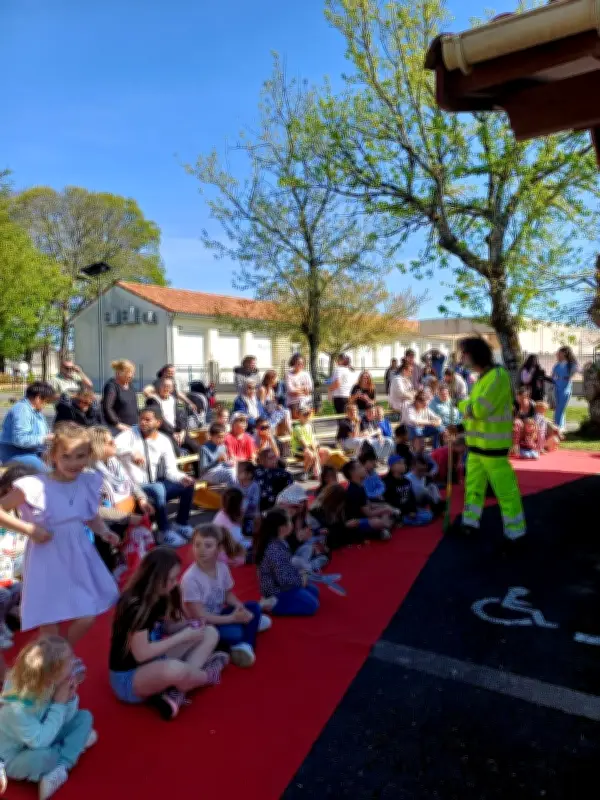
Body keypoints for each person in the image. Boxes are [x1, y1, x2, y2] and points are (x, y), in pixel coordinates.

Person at [0, 423, 119, 644]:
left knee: (87, 613)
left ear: (89, 455)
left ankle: (64, 653)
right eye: (66, 456)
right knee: (49, 616)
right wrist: (29, 529)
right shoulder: (35, 485)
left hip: (79, 553)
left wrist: (104, 531)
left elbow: (90, 515)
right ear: (53, 456)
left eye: (80, 456)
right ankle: (54, 662)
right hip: (46, 554)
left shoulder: (87, 481)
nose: (74, 463)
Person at [109, 548, 226, 720]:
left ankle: (177, 691)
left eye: (175, 578)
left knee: (209, 632)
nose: (174, 582)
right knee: (174, 669)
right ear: (154, 577)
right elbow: (142, 654)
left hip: (155, 660)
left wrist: (189, 626)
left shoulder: (162, 595)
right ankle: (207, 675)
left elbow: (166, 629)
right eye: (170, 579)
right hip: (130, 677)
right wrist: (184, 636)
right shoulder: (135, 605)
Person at [0, 635, 96, 799]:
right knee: (44, 756)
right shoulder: (16, 708)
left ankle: (60, 767)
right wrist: (59, 704)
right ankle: (68, 753)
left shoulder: (47, 681)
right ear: (52, 675)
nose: (74, 664)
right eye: (69, 663)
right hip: (16, 754)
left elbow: (67, 718)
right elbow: (40, 742)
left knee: (85, 717)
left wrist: (70, 698)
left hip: (44, 730)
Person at [457, 337, 526, 543]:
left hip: (493, 448)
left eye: (464, 353)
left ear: (474, 354)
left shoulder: (497, 376)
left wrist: (462, 405)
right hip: (476, 447)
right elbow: (476, 413)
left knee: (505, 492)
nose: (461, 358)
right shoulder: (482, 378)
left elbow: (478, 410)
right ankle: (470, 523)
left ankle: (516, 533)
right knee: (473, 488)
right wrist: (461, 427)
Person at [181, 525, 270, 668]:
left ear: (219, 548)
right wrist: (232, 618)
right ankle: (246, 636)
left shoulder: (222, 567)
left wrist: (239, 607)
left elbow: (228, 595)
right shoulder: (190, 578)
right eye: (197, 545)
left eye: (208, 545)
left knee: (253, 606)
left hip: (219, 615)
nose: (201, 549)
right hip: (204, 626)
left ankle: (245, 644)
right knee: (236, 633)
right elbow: (200, 616)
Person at [115, 407, 196, 548]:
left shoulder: (164, 440)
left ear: (158, 422)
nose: (143, 423)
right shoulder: (129, 434)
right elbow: (111, 447)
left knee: (187, 484)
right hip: (135, 487)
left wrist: (182, 477)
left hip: (154, 485)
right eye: (141, 419)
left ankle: (180, 524)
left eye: (147, 420)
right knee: (158, 487)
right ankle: (163, 532)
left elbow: (171, 470)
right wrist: (131, 452)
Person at [256, 508, 320, 616]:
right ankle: (272, 604)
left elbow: (286, 568)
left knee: (314, 591)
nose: (292, 523)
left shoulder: (280, 541)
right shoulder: (274, 549)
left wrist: (300, 573)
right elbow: (284, 580)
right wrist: (301, 579)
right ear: (282, 528)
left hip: (283, 583)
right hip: (277, 590)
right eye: (289, 521)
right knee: (312, 605)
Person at [145, 377, 201, 472]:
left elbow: (181, 416)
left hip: (178, 432)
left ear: (172, 389)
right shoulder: (153, 400)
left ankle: (198, 475)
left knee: (196, 447)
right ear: (159, 387)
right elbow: (159, 419)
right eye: (164, 386)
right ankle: (177, 477)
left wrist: (182, 431)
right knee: (175, 451)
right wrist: (172, 433)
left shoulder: (174, 400)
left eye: (169, 386)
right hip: (162, 432)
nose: (166, 388)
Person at [0, 381, 55, 470]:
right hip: (16, 453)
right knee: (50, 474)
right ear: (38, 398)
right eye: (47, 401)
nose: (46, 404)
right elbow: (20, 439)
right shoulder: (22, 409)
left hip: (32, 451)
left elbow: (43, 433)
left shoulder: (35, 411)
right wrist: (45, 438)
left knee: (62, 465)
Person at [341, 460, 394, 540]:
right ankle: (383, 529)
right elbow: (369, 513)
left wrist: (384, 506)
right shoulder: (354, 490)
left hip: (364, 517)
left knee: (386, 511)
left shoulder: (360, 486)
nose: (364, 469)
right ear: (352, 473)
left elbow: (368, 504)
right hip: (356, 521)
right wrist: (385, 509)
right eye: (360, 467)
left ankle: (383, 529)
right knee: (378, 520)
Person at [383, 455, 433, 525]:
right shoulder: (387, 483)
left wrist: (413, 510)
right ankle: (400, 520)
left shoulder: (407, 481)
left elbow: (412, 498)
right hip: (398, 511)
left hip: (408, 509)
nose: (403, 465)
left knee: (428, 514)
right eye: (400, 463)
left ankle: (403, 520)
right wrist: (406, 512)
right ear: (392, 467)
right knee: (426, 517)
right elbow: (390, 502)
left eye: (403, 463)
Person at [290, 407, 330, 481]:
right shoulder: (297, 427)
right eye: (304, 415)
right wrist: (314, 449)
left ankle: (315, 471)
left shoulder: (309, 426)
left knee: (326, 451)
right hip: (299, 449)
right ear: (299, 416)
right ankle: (305, 472)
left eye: (308, 414)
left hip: (310, 447)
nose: (307, 416)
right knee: (311, 454)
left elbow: (313, 440)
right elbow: (303, 444)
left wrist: (315, 447)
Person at [102, 359, 139, 433]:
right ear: (119, 373)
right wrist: (117, 424)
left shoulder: (130, 386)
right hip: (119, 429)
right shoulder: (111, 386)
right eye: (129, 373)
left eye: (132, 373)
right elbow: (107, 407)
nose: (132, 376)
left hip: (133, 427)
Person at [214, 487, 252, 552]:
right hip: (230, 555)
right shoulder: (234, 530)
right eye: (243, 501)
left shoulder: (220, 513)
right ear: (240, 506)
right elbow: (247, 545)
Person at [551, 346, 578, 433]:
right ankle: (559, 426)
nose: (557, 354)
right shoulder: (557, 365)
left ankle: (558, 426)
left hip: (565, 388)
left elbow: (576, 371)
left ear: (565, 353)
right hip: (556, 387)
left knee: (560, 408)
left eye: (559, 353)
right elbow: (553, 375)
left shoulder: (571, 364)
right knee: (558, 408)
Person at [237, 461, 261, 538]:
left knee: (249, 531)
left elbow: (255, 501)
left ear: (249, 474)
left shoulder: (254, 486)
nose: (237, 473)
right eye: (238, 471)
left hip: (251, 514)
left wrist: (245, 503)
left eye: (240, 471)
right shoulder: (236, 485)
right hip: (238, 513)